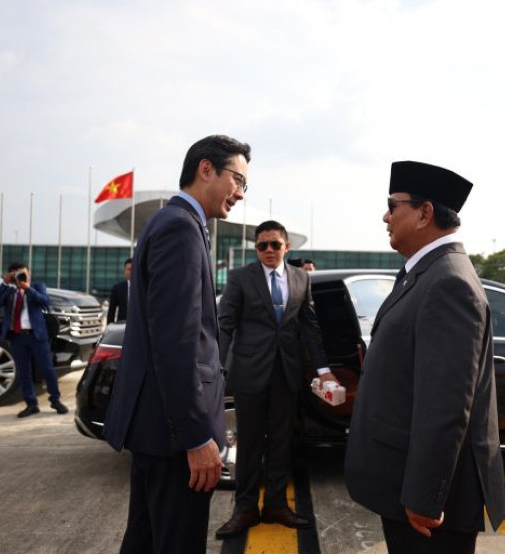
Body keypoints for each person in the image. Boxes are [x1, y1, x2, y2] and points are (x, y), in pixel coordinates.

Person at [344, 161, 505, 554]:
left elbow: (447, 405)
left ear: (424, 212)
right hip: (406, 486)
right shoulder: (425, 271)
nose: (386, 216)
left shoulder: (448, 281)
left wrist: (424, 495)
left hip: (429, 505)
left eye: (393, 205)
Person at [103, 134, 250, 553]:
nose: (239, 193)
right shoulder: (181, 229)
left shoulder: (174, 223)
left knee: (147, 539)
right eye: (237, 180)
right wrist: (194, 436)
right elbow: (177, 343)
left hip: (157, 428)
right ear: (206, 169)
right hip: (172, 436)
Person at [215, 220, 337, 539]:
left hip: (286, 371)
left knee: (282, 442)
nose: (268, 250)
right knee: (250, 443)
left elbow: (309, 326)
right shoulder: (241, 277)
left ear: (287, 247)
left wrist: (323, 370)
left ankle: (276, 505)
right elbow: (225, 323)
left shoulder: (300, 278)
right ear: (256, 248)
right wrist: (217, 366)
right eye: (262, 245)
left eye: (275, 245)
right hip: (248, 372)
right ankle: (244, 509)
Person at [0, 262, 68, 418]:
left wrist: (27, 288)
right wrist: (4, 284)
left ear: (29, 273)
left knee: (47, 369)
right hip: (17, 336)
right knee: (24, 372)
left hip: (36, 335)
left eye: (23, 273)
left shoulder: (37, 287)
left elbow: (45, 301)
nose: (20, 277)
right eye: (16, 274)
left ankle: (55, 399)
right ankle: (31, 404)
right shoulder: (8, 291)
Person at [107, 258, 132, 323]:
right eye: (129, 269)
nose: (131, 272)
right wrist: (110, 327)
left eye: (133, 269)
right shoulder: (118, 288)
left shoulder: (143, 288)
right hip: (122, 325)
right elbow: (111, 311)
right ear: (125, 271)